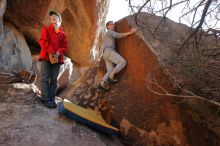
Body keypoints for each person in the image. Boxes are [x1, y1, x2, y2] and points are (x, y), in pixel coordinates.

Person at [38, 11, 67, 108]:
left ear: (60, 20)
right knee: (45, 78)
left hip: (57, 60)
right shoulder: (46, 29)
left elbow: (64, 46)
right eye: (52, 19)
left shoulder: (62, 34)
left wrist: (58, 52)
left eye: (55, 18)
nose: (53, 20)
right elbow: (42, 41)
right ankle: (45, 99)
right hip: (46, 57)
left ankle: (51, 98)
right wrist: (51, 52)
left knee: (54, 79)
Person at [98, 21, 137, 91]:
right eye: (111, 24)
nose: (113, 25)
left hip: (105, 54)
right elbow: (117, 35)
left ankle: (102, 84)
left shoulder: (106, 35)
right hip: (109, 51)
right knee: (122, 62)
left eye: (113, 24)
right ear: (107, 26)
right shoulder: (109, 32)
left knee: (110, 70)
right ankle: (111, 77)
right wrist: (130, 32)